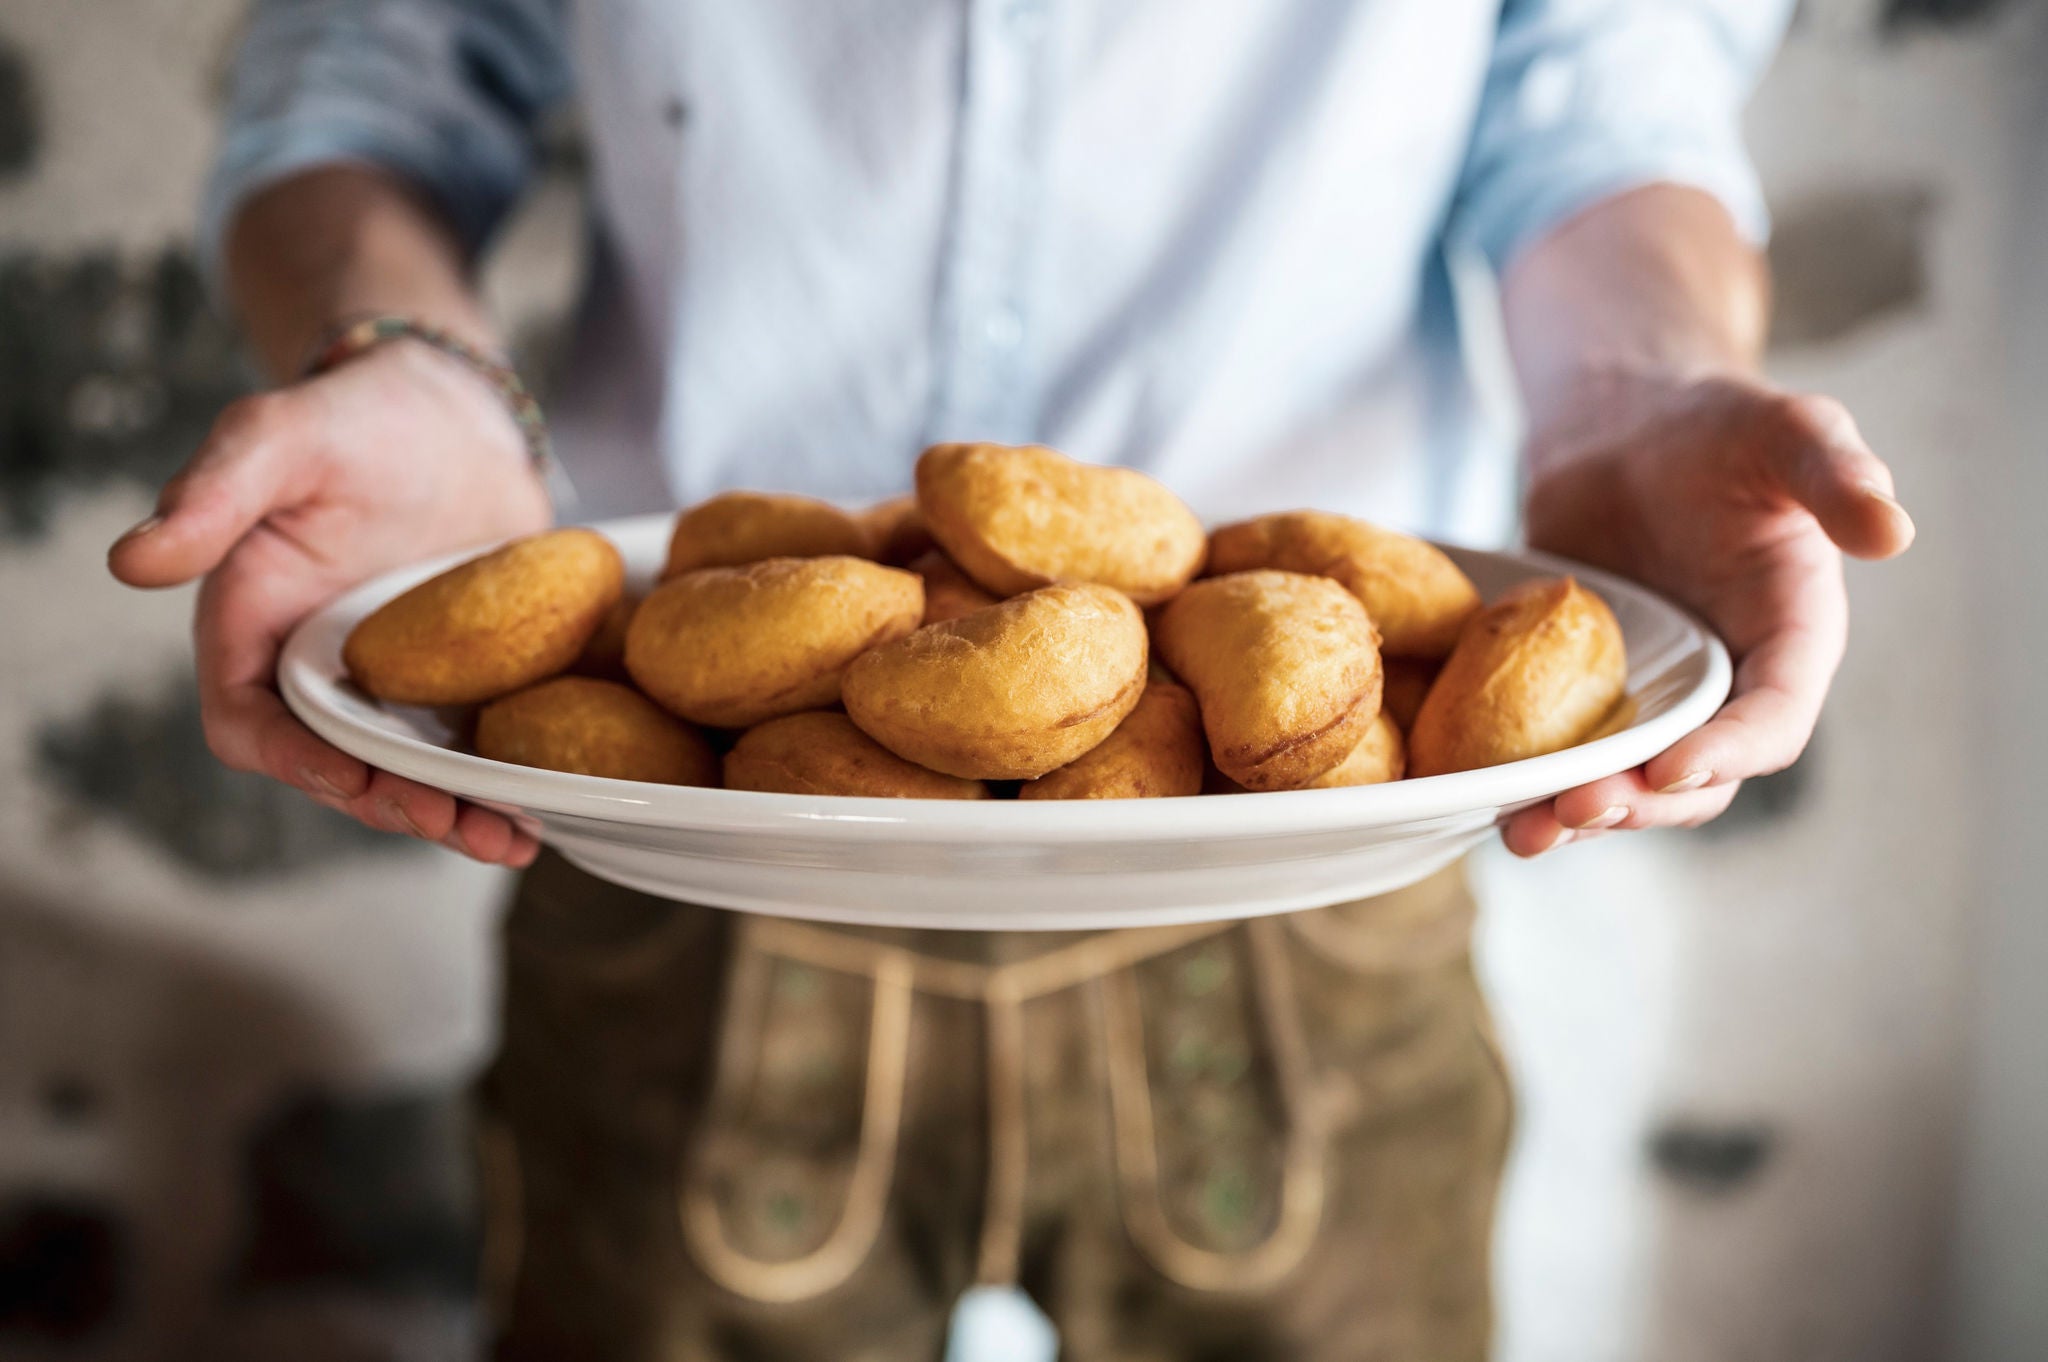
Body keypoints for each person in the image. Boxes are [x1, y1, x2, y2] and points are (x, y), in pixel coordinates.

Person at [108, 0, 1915, 1357]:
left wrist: (1639, 386)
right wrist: (407, 357)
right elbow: (366, 66)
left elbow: (1610, 84)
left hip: (1322, 841)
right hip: (681, 827)